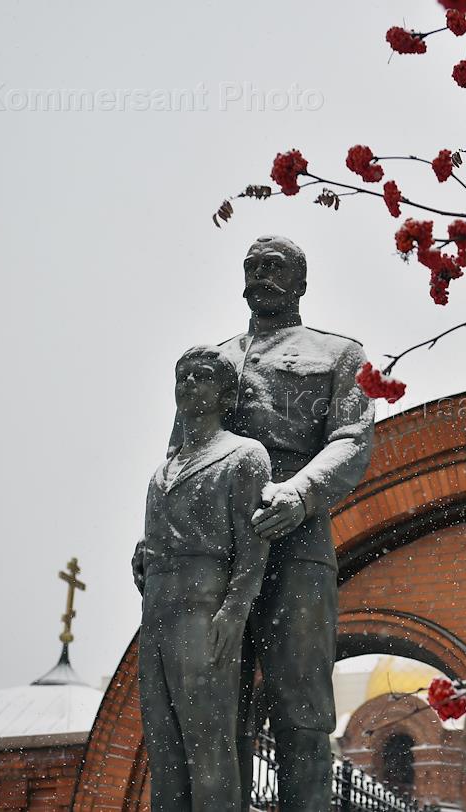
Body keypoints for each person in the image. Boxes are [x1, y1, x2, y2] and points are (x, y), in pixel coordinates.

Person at [168, 235, 375, 811]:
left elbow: (352, 440)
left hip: (295, 543)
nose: (262, 275)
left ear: (301, 282)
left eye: (275, 267)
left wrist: (300, 493)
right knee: (213, 705)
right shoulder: (212, 363)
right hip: (215, 551)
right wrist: (156, 537)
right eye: (253, 266)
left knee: (300, 708)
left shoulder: (338, 354)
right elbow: (181, 453)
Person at [134, 345, 272, 812]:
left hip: (204, 611)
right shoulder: (160, 473)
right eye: (183, 376)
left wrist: (234, 610)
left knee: (209, 747)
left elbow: (253, 544)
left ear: (225, 395)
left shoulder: (243, 455)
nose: (190, 383)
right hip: (156, 614)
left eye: (202, 376)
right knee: (164, 751)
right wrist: (145, 561)